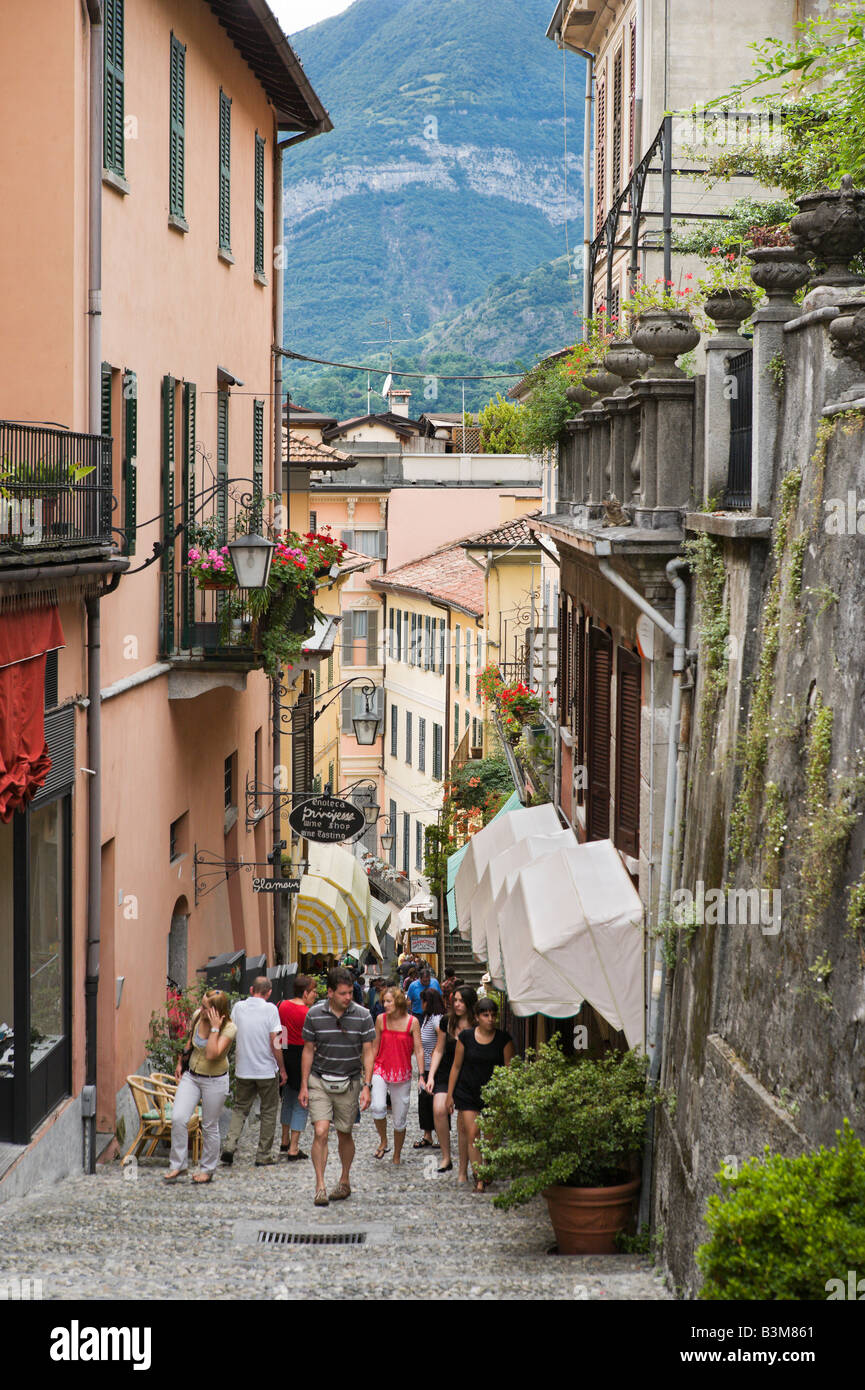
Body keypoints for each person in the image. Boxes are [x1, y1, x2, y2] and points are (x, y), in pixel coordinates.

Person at [300, 966, 376, 1207]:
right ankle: (320, 1185)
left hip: (350, 1080)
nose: (348, 997)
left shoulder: (363, 1015)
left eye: (350, 993)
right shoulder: (314, 1014)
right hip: (319, 1079)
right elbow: (308, 1050)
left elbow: (368, 1051)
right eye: (343, 993)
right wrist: (303, 1085)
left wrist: (367, 1085)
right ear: (330, 992)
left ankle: (344, 1180)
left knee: (345, 1132)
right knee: (320, 1131)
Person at [166, 989, 236, 1184]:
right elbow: (189, 1042)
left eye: (205, 1007)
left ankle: (207, 1169)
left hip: (215, 1079)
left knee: (209, 1126)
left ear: (216, 1010)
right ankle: (178, 1165)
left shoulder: (229, 1028)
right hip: (192, 1076)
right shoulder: (198, 1016)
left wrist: (215, 1028)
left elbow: (212, 1054)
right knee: (178, 1117)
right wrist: (181, 1062)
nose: (201, 1008)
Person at [446, 996, 514, 1193]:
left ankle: (488, 1169)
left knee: (491, 1137)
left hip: (494, 1094)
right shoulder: (466, 1037)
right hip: (468, 1092)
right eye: (486, 1015)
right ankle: (479, 1177)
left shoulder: (503, 1040)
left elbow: (510, 1070)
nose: (490, 1019)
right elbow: (456, 1066)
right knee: (473, 1133)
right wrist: (450, 1094)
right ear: (477, 1017)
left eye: (493, 1015)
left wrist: (507, 1097)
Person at [220, 977, 285, 1168]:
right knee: (269, 1111)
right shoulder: (271, 1009)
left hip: (243, 1068)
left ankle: (230, 1146)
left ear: (251, 989)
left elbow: (231, 1031)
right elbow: (276, 1041)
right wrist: (282, 1069)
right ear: (269, 992)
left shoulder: (239, 1007)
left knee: (240, 1108)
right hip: (266, 1070)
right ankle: (263, 1154)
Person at [370, 986, 425, 1164]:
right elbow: (374, 1048)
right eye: (384, 1001)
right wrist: (368, 1073)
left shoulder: (412, 1022)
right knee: (378, 1107)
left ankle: (397, 1154)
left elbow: (419, 1050)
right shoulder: (380, 1020)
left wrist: (422, 1075)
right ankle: (384, 1140)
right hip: (381, 1068)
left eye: (388, 1001)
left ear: (398, 1002)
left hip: (402, 1073)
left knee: (400, 1119)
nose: (385, 1005)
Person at [425, 985, 477, 1175]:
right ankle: (446, 1156)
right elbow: (438, 1049)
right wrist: (430, 1075)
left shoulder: (477, 1023)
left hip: (468, 1074)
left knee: (464, 1121)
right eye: (455, 1000)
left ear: (470, 1003)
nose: (457, 1004)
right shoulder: (446, 1021)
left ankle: (467, 1163)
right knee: (438, 1109)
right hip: (446, 1071)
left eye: (461, 1001)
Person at [278, 973, 317, 1160]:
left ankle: (284, 1141)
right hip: (303, 1055)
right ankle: (294, 1148)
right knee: (302, 1101)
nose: (315, 995)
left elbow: (281, 1033)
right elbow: (312, 1042)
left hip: (286, 1053)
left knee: (288, 1098)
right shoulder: (308, 1014)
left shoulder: (283, 1006)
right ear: (305, 993)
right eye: (313, 992)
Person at [414, 987, 445, 1149]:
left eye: (423, 1001)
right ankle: (428, 1135)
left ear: (428, 1002)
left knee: (435, 1102)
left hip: (435, 1068)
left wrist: (435, 1051)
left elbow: (442, 1035)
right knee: (424, 1102)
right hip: (425, 1068)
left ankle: (441, 1136)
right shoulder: (427, 1018)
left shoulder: (436, 1018)